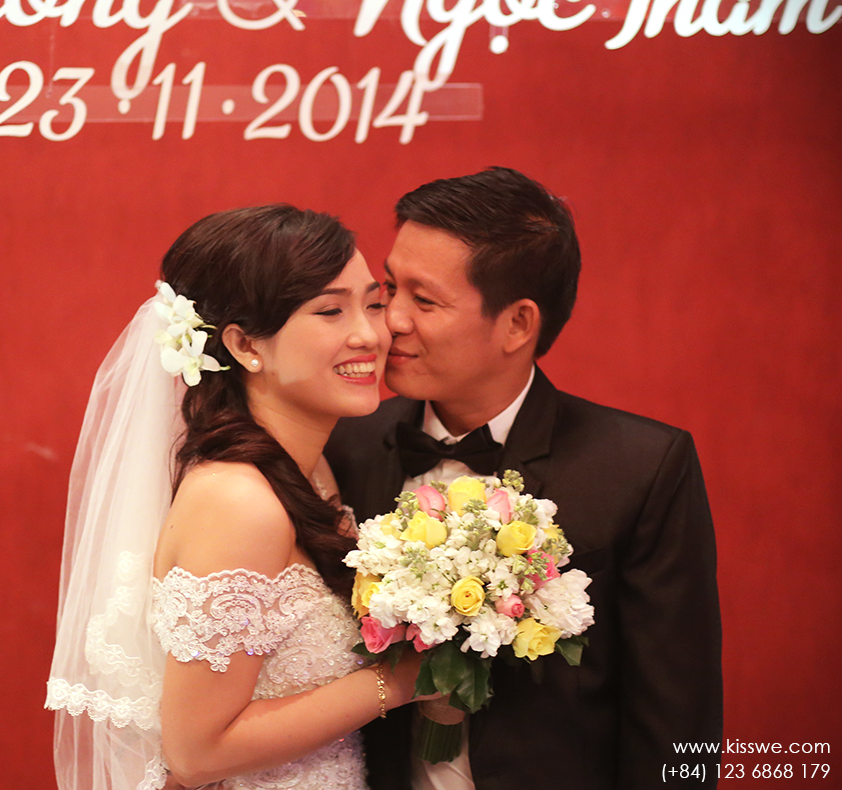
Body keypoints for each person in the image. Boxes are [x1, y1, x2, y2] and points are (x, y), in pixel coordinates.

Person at [325, 167, 722, 790]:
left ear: (517, 324)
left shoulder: (640, 467)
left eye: (424, 301)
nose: (390, 320)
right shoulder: (342, 445)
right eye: (390, 287)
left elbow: (678, 722)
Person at [46, 205, 434, 790]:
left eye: (373, 304)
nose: (370, 334)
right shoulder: (239, 502)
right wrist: (402, 679)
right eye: (330, 311)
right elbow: (195, 753)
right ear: (246, 345)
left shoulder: (312, 467)